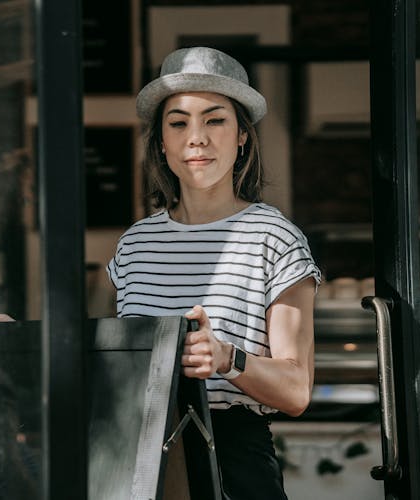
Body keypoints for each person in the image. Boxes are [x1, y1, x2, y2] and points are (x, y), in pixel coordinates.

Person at [106, 46, 320, 500]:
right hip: (137, 459)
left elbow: (297, 389)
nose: (196, 138)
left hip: (232, 461)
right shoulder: (135, 243)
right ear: (161, 141)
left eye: (215, 119)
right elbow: (119, 365)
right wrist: (33, 344)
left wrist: (227, 358)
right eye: (178, 122)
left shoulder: (273, 237)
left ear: (243, 135)